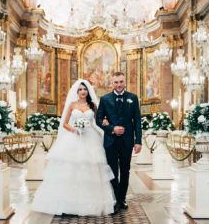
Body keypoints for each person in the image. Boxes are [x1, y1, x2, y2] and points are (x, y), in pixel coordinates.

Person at [32, 79, 115, 216]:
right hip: (73, 138)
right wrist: (74, 130)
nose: (83, 91)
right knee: (69, 169)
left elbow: (97, 121)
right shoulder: (71, 105)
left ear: (88, 91)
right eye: (80, 89)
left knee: (90, 169)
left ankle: (90, 203)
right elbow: (64, 123)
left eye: (85, 89)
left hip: (90, 138)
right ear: (76, 92)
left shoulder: (93, 105)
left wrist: (104, 123)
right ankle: (67, 203)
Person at [96, 72, 142, 212]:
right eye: (116, 82)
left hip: (127, 141)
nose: (119, 84)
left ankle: (122, 199)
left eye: (121, 81)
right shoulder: (105, 99)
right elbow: (98, 120)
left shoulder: (133, 98)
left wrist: (138, 141)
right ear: (112, 83)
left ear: (125, 82)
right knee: (113, 170)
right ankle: (116, 198)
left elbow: (137, 121)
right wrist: (112, 128)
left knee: (125, 170)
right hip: (110, 141)